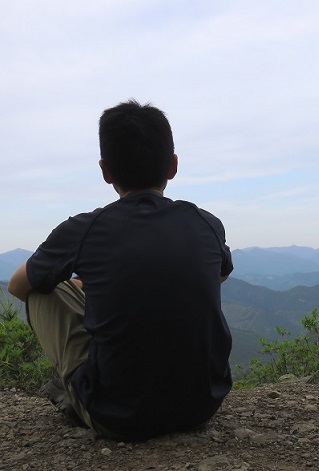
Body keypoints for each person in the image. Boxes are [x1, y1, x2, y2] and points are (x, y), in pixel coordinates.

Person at [8, 99, 234, 441]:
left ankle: (76, 393)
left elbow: (17, 286)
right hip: (201, 407)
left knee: (44, 289)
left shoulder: (85, 229)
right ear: (172, 166)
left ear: (105, 171)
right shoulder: (206, 224)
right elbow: (218, 274)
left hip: (116, 416)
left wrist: (85, 284)